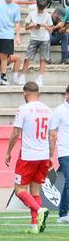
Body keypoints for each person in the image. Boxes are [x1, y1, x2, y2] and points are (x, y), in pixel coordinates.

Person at [6, 82, 52, 234]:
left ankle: (39, 211)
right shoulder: (47, 110)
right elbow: (52, 135)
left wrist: (8, 152)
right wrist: (51, 155)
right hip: (43, 155)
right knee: (35, 191)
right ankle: (35, 225)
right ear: (38, 93)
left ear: (25, 94)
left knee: (19, 189)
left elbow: (15, 133)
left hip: (28, 155)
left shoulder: (23, 109)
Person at [21, 0, 53, 86]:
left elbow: (51, 30)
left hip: (44, 39)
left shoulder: (47, 15)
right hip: (34, 38)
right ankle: (23, 75)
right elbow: (26, 27)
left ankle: (40, 77)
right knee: (28, 57)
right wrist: (32, 25)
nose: (40, 10)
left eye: (42, 8)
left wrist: (45, 26)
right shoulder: (32, 13)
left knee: (43, 59)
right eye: (39, 8)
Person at [50, 84, 69, 224]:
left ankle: (62, 214)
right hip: (65, 152)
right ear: (66, 94)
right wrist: (51, 155)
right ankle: (63, 214)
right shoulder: (59, 110)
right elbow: (52, 133)